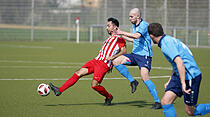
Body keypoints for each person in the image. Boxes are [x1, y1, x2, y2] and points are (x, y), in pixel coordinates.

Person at [49, 17, 127, 106]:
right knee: (78, 73)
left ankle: (109, 97)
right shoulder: (109, 38)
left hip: (103, 65)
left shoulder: (120, 39)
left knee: (94, 85)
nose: (106, 28)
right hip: (96, 61)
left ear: (115, 27)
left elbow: (124, 51)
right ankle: (59, 90)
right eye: (107, 26)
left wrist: (113, 57)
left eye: (108, 26)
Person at [148, 23, 210, 116]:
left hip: (190, 77)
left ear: (151, 36)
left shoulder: (166, 45)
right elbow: (176, 63)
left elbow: (180, 62)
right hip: (180, 75)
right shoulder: (167, 39)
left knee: (190, 111)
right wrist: (170, 80)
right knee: (165, 102)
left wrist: (183, 83)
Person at [113, 8, 161, 109]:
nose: (129, 18)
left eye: (131, 16)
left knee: (145, 77)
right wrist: (120, 34)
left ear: (138, 16)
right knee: (116, 61)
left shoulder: (144, 25)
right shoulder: (134, 25)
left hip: (145, 56)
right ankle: (133, 81)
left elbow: (136, 36)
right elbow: (133, 40)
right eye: (129, 16)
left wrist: (122, 32)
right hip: (135, 55)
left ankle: (157, 102)